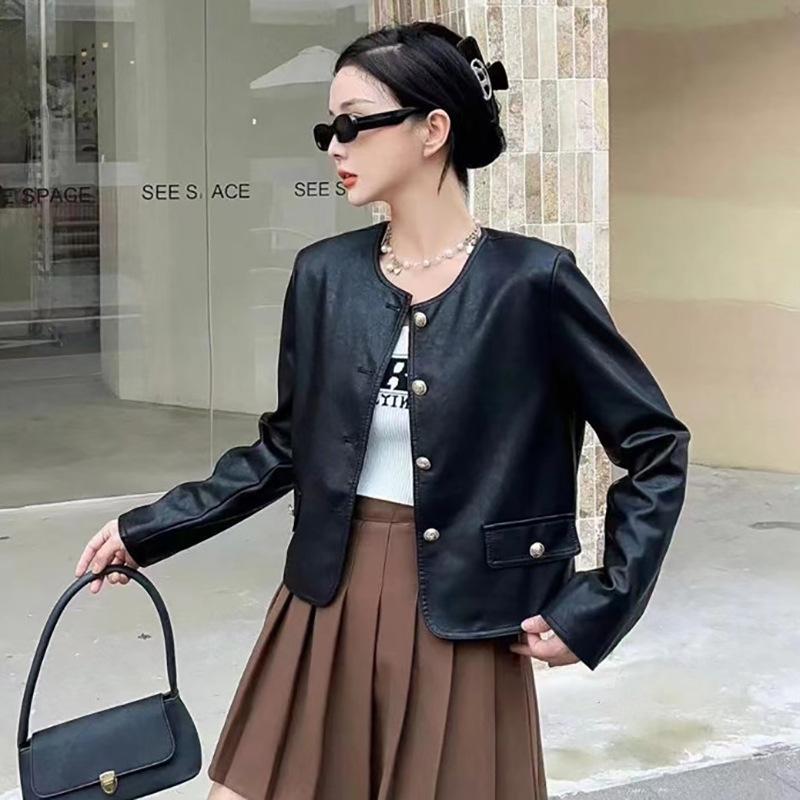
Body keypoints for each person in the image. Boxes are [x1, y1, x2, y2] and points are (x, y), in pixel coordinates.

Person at [75, 20, 690, 800]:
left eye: (354, 124)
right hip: (325, 594)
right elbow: (286, 447)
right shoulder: (325, 277)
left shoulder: (533, 284)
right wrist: (150, 529)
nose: (335, 146)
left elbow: (656, 445)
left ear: (433, 130)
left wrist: (603, 602)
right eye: (328, 128)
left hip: (464, 607)